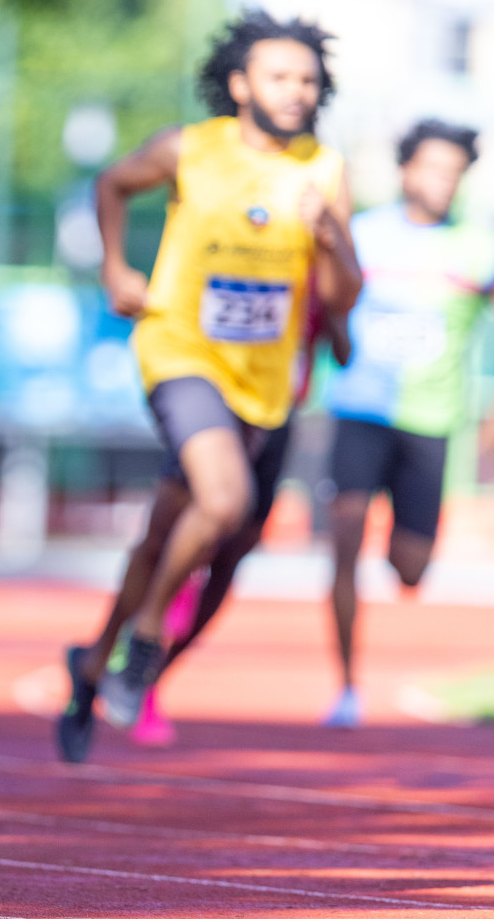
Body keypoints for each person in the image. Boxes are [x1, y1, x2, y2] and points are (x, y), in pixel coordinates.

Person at [56, 9, 362, 763]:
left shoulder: (323, 171)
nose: (296, 91)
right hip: (180, 352)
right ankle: (148, 641)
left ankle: (94, 664)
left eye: (308, 80)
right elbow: (112, 184)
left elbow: (345, 291)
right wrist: (115, 267)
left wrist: (330, 236)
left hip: (266, 383)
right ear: (239, 83)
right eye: (280, 77)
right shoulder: (190, 149)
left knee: (185, 535)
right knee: (222, 501)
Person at [320, 119, 494, 729]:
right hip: (361, 410)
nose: (442, 182)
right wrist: (333, 340)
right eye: (432, 168)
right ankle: (345, 686)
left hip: (431, 422)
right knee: (344, 538)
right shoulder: (360, 235)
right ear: (405, 170)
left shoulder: (480, 248)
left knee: (410, 571)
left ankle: (403, 551)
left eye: (453, 172)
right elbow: (326, 304)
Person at [129, 299, 350, 747]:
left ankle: (152, 675)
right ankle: (137, 654)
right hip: (216, 408)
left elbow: (341, 348)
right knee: (194, 535)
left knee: (228, 563)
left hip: (277, 413)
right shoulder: (239, 239)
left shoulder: (316, 259)